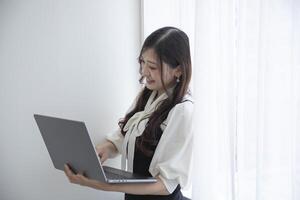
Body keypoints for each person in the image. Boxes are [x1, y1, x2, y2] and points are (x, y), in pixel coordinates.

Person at [64, 26, 194, 200]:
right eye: (142, 63)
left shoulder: (182, 111)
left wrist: (101, 184)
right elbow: (124, 136)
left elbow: (165, 184)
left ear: (178, 69)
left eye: (153, 67)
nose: (144, 72)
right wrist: (105, 149)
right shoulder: (148, 93)